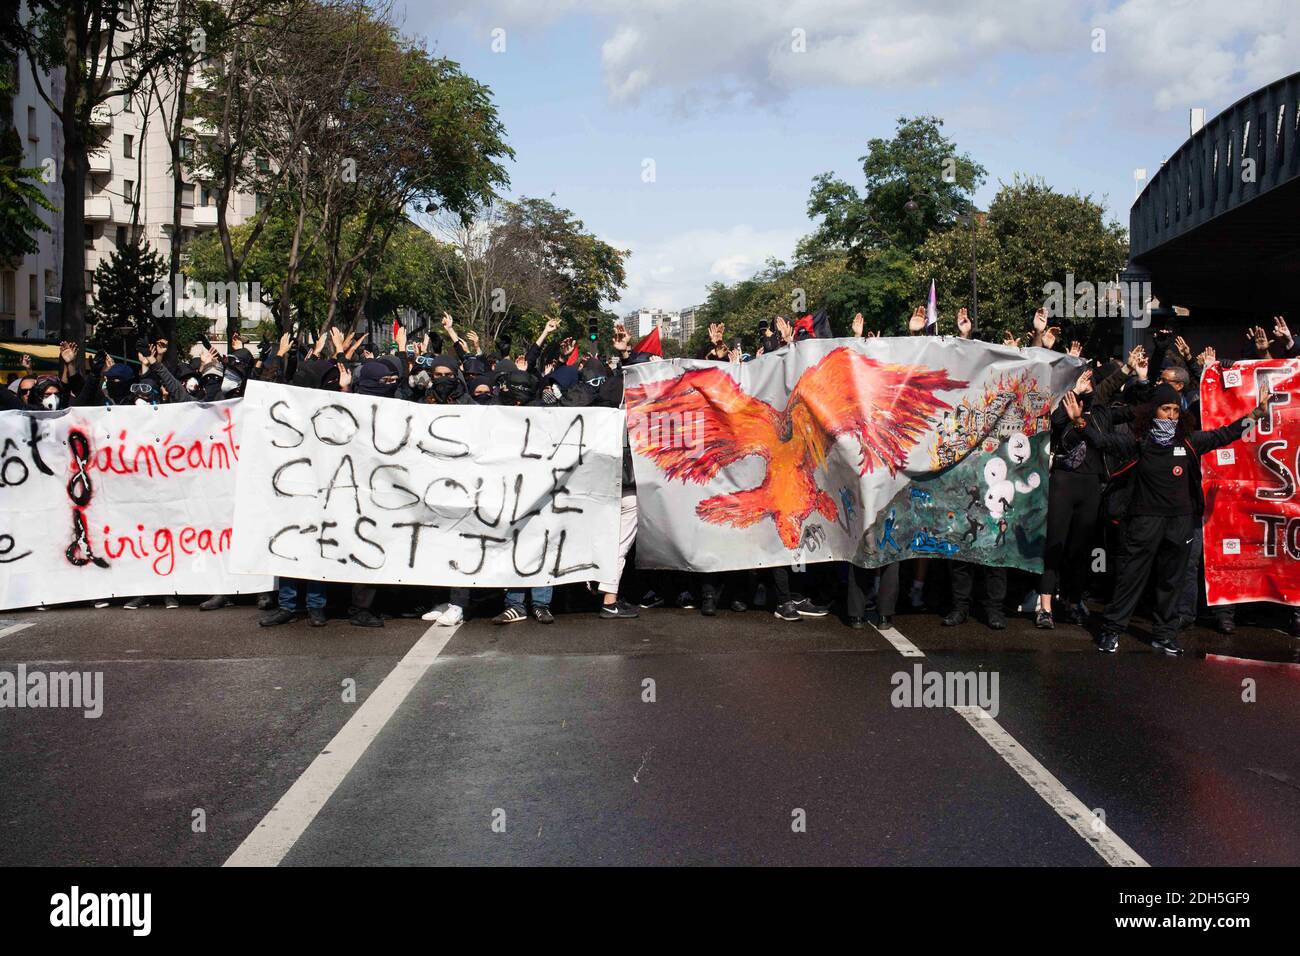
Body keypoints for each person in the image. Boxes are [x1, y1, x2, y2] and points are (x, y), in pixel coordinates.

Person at [1066, 383, 1269, 655]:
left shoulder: (1189, 442)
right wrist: (1080, 422)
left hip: (1180, 522)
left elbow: (1226, 434)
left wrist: (1255, 415)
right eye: (1165, 409)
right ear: (1153, 412)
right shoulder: (1139, 444)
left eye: (1175, 410)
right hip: (1143, 522)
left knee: (1171, 581)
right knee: (1131, 578)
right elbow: (1102, 442)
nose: (1171, 415)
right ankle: (1111, 631)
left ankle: (1164, 635)